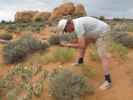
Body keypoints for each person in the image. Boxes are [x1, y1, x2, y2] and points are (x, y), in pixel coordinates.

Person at [57, 16, 112, 90]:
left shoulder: (78, 26)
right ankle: (80, 61)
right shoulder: (75, 23)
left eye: (65, 30)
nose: (67, 32)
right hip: (94, 31)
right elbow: (82, 43)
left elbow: (81, 45)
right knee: (84, 43)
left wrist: (68, 45)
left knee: (102, 55)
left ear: (68, 25)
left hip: (103, 32)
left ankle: (108, 81)